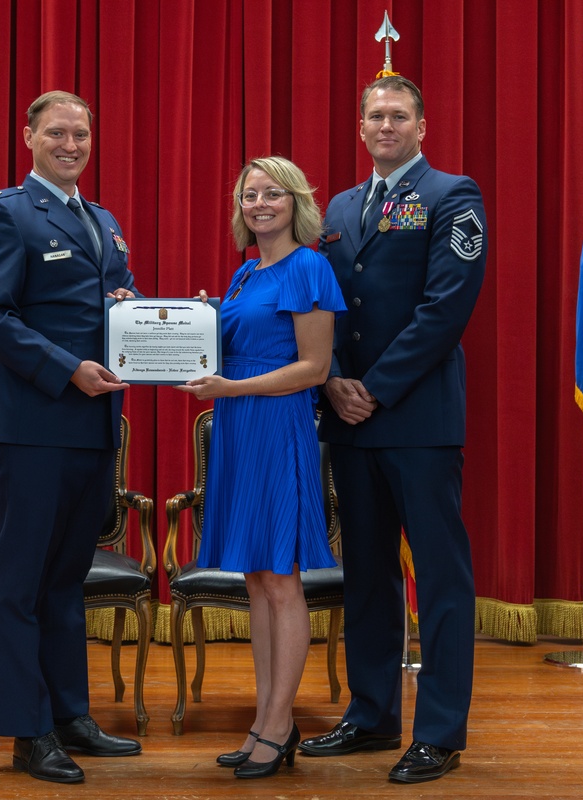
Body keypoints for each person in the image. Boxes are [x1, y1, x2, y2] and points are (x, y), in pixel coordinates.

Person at [297, 75, 487, 784]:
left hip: (418, 420)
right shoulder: (341, 207)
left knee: (439, 577)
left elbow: (445, 309)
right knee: (367, 575)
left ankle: (438, 732)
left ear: (421, 125)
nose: (385, 125)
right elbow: (326, 305)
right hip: (349, 419)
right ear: (359, 126)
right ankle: (371, 714)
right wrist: (334, 378)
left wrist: (369, 389)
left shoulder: (453, 197)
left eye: (398, 115)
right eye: (374, 115)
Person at [0, 90, 142, 785]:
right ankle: (27, 728)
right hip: (34, 426)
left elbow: (114, 305)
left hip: (94, 426)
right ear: (29, 137)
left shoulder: (103, 220)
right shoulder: (6, 212)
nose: (71, 145)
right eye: (57, 133)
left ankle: (71, 713)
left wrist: (140, 321)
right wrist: (67, 368)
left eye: (81, 135)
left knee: (68, 580)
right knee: (21, 582)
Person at [177, 156, 346, 780]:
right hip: (239, 430)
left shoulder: (309, 266)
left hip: (276, 428)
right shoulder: (246, 274)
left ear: (296, 202)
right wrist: (197, 317)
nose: (260, 204)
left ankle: (280, 725)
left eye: (273, 194)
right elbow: (233, 346)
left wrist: (231, 389)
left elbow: (314, 369)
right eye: (250, 195)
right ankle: (263, 722)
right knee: (256, 581)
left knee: (281, 579)